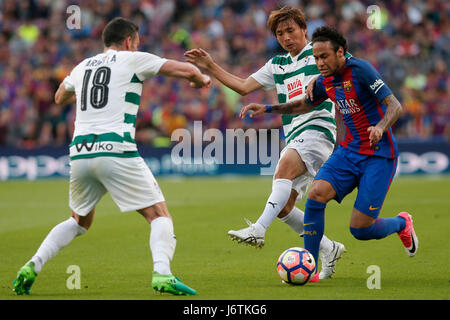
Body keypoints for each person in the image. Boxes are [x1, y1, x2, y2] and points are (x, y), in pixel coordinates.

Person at [12, 17, 210, 296]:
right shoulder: (133, 59)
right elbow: (186, 69)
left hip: (80, 152)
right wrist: (201, 79)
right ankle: (162, 274)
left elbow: (58, 97)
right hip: (116, 148)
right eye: (136, 43)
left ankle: (33, 265)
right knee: (158, 215)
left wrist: (80, 93)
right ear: (129, 41)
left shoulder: (82, 66)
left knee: (79, 221)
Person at [240, 26, 419, 282]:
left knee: (360, 229)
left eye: (324, 57)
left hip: (379, 154)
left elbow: (395, 105)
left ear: (340, 52)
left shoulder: (361, 70)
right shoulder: (325, 80)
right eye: (316, 57)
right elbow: (303, 104)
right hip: (349, 151)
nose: (319, 63)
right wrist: (267, 108)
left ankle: (402, 223)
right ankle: (309, 266)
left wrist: (380, 127)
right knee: (315, 196)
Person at [185, 6, 345, 280]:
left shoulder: (319, 55)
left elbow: (348, 67)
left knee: (283, 168)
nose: (286, 37)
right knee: (284, 207)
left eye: (291, 30)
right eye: (280, 33)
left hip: (318, 129)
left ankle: (258, 229)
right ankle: (329, 247)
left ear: (304, 29)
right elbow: (244, 86)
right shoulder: (277, 65)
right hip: (294, 134)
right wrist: (210, 66)